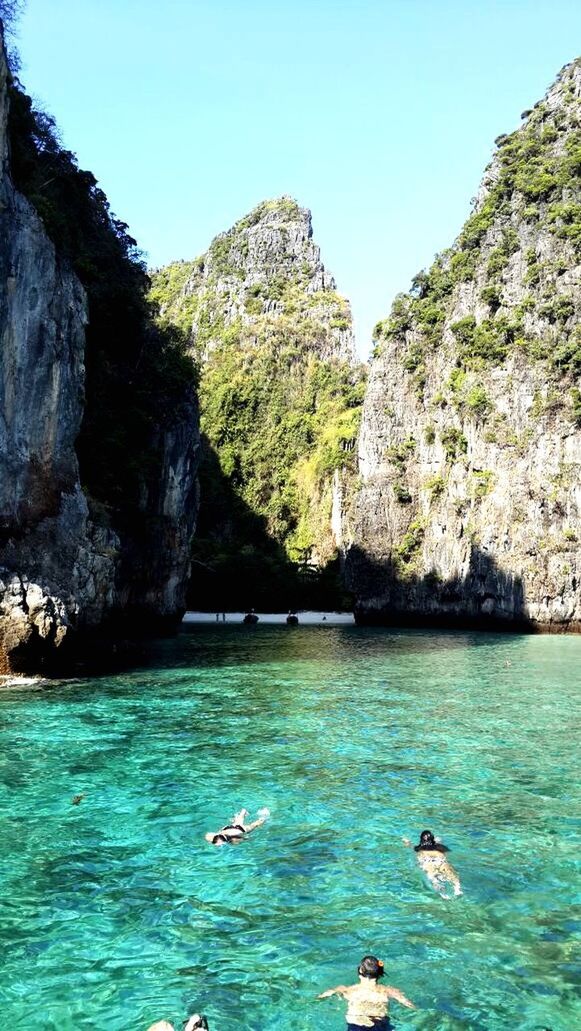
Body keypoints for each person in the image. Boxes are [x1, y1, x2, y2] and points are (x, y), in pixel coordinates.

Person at [318, 954, 415, 1029]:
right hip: (380, 1024)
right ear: (380, 974)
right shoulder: (388, 991)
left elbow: (322, 996)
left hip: (357, 1024)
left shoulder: (347, 990)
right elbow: (410, 1006)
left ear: (359, 971)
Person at [403, 829, 462, 898]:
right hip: (440, 860)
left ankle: (439, 888)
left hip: (428, 862)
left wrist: (406, 841)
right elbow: (438, 843)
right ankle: (457, 889)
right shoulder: (440, 849)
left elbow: (410, 846)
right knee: (451, 873)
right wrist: (438, 839)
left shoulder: (419, 850)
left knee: (432, 876)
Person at [205, 806, 269, 846]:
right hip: (228, 828)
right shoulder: (215, 837)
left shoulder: (233, 839)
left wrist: (249, 838)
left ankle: (264, 817)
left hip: (240, 829)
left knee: (255, 825)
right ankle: (243, 812)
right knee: (237, 822)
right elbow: (207, 835)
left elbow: (244, 838)